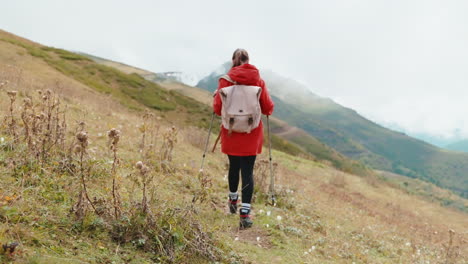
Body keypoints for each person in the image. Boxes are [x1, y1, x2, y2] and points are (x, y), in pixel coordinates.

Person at [213, 49, 274, 228]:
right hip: (251, 133)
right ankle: (245, 214)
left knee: (234, 166)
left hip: (231, 131)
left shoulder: (225, 80)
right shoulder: (258, 81)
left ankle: (232, 202)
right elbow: (268, 108)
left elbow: (217, 109)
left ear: (233, 60)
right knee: (247, 171)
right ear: (248, 61)